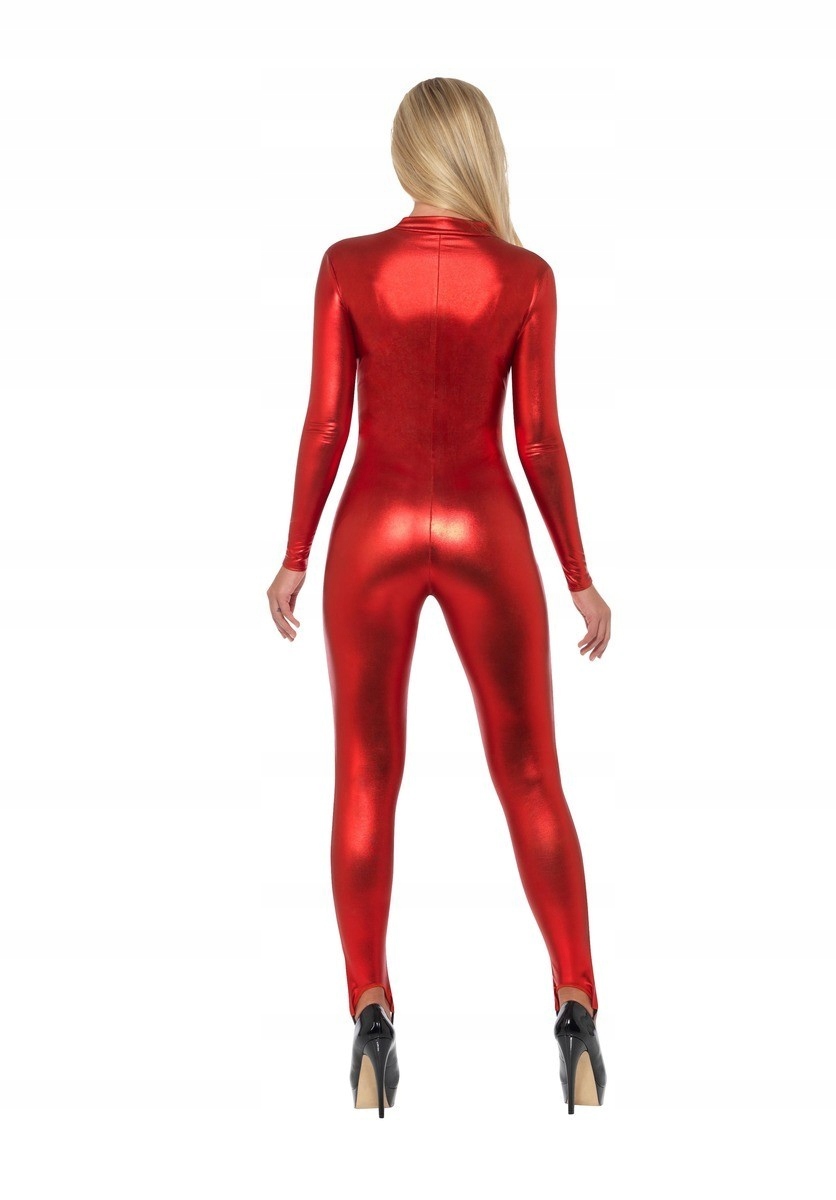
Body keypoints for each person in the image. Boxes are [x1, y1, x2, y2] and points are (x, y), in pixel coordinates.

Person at [267, 77, 610, 1116]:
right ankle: (577, 1010)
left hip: (371, 531)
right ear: (480, 151)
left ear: (406, 152)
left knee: (365, 771)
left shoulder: (348, 265)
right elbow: (537, 440)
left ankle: (369, 1017)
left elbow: (327, 424)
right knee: (531, 772)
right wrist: (579, 576)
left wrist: (294, 553)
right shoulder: (526, 275)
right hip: (483, 526)